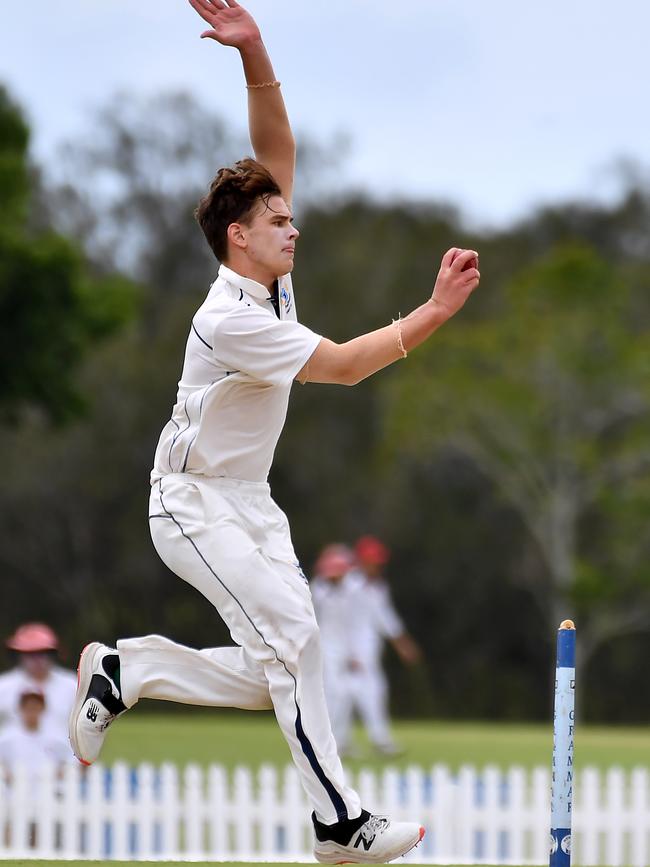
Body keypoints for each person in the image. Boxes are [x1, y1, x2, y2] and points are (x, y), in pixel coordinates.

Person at [68, 0, 479, 862]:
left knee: (279, 673)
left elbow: (276, 151)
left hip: (248, 503)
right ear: (237, 236)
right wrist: (436, 310)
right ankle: (338, 822)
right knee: (295, 643)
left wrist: (255, 53)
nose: (294, 225)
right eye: (278, 220)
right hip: (189, 502)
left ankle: (126, 671)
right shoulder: (230, 318)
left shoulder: (271, 282)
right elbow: (347, 366)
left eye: (290, 216)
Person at [348, 536, 422, 756]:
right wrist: (347, 652)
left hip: (368, 650)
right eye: (373, 561)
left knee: (372, 692)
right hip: (347, 652)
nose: (378, 566)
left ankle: (374, 740)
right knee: (348, 695)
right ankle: (370, 740)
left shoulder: (377, 588)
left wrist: (403, 644)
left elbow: (387, 620)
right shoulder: (348, 585)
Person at [310, 544, 360, 756]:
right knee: (334, 694)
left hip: (343, 650)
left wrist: (352, 654)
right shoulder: (317, 591)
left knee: (347, 694)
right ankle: (327, 743)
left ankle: (342, 741)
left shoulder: (349, 590)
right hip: (324, 649)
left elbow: (350, 625)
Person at [0, 623, 76, 747]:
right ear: (20, 655)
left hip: (62, 759)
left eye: (41, 654)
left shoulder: (71, 685)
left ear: (51, 654)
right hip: (14, 760)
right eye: (30, 655)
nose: (36, 660)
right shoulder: (4, 686)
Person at [0, 690, 74, 786]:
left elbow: (69, 759)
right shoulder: (8, 737)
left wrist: (61, 773)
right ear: (21, 709)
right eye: (28, 708)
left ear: (42, 708)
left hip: (48, 792)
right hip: (14, 794)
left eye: (35, 707)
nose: (31, 712)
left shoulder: (56, 737)